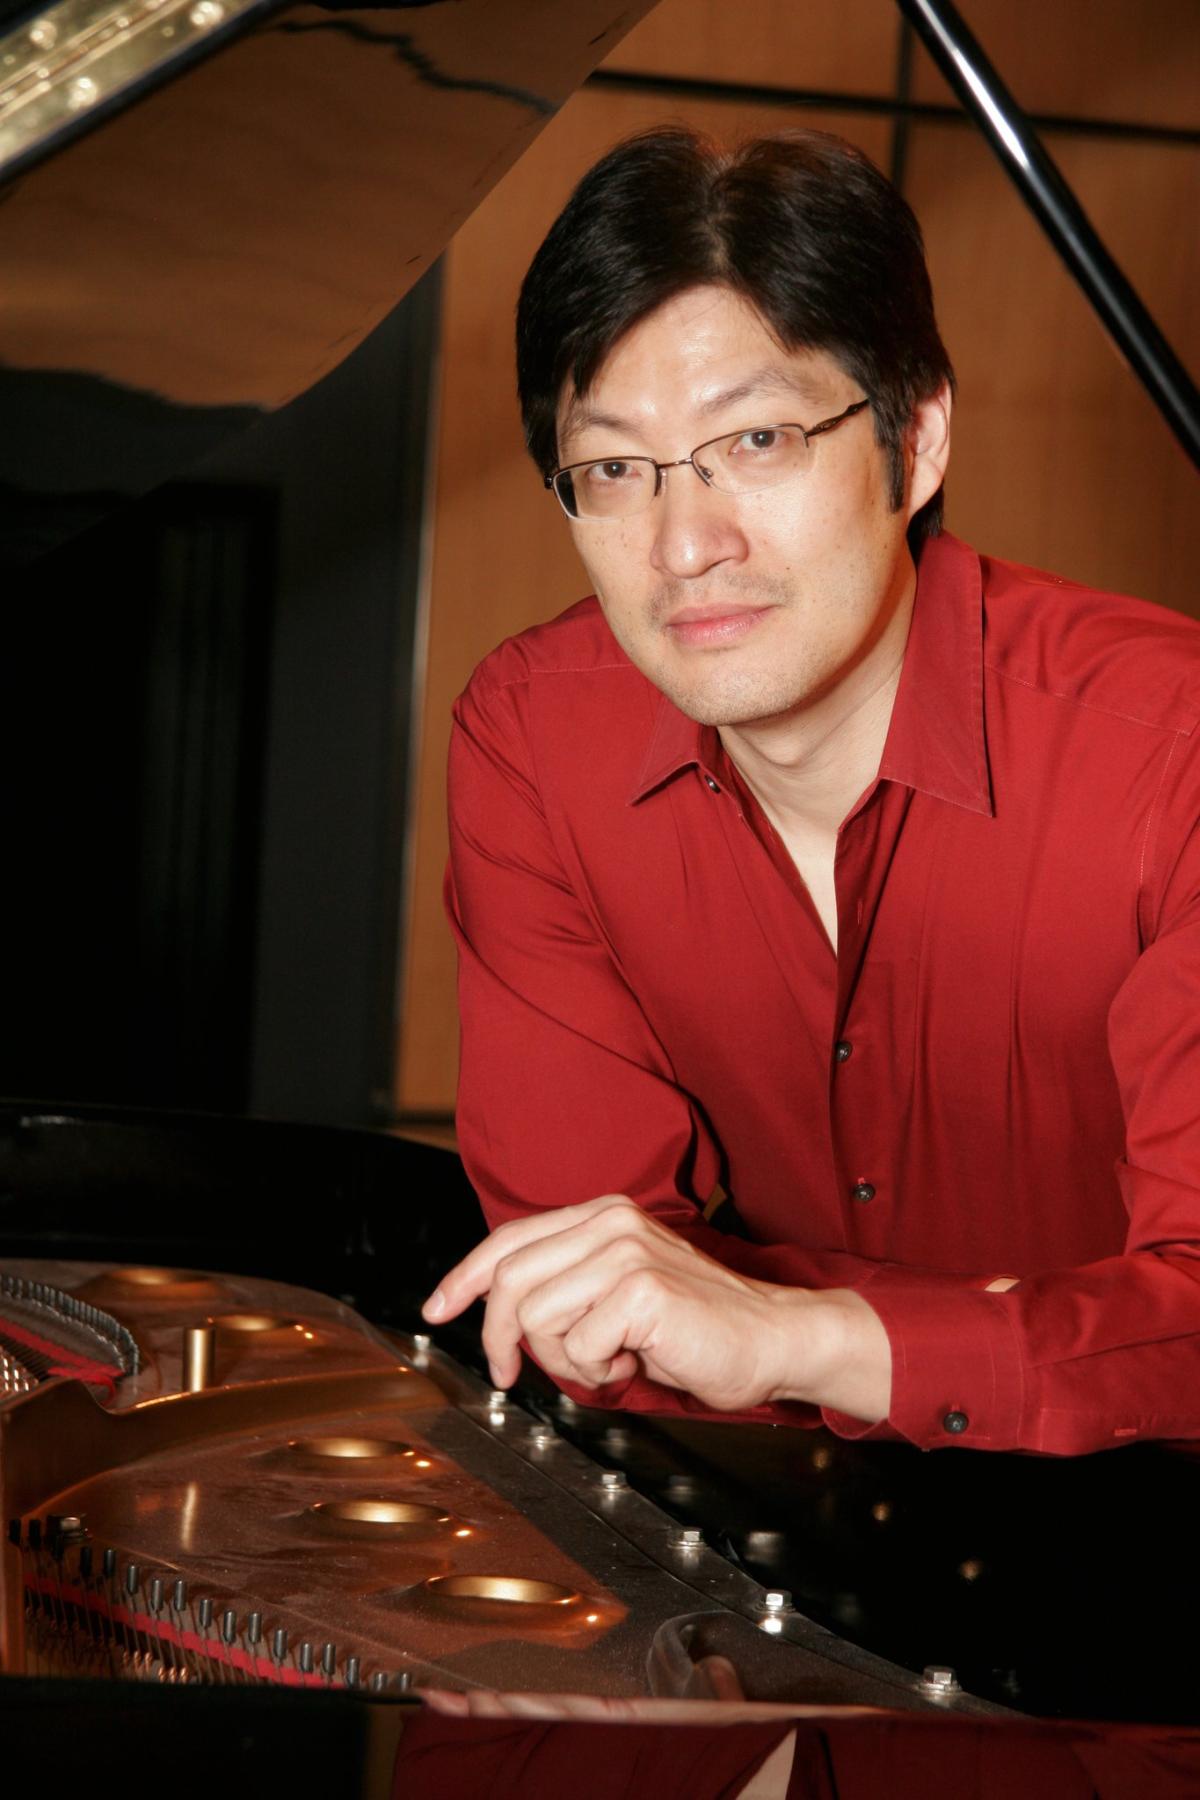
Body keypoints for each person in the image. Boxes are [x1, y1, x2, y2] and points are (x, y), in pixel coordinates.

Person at [421, 126, 1200, 1456]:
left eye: (761, 438)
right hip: (741, 1547)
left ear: (920, 439)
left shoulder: (1168, 746)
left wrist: (805, 1337)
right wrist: (1023, 1334)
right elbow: (601, 1316)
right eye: (614, 468)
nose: (684, 544)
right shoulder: (533, 739)